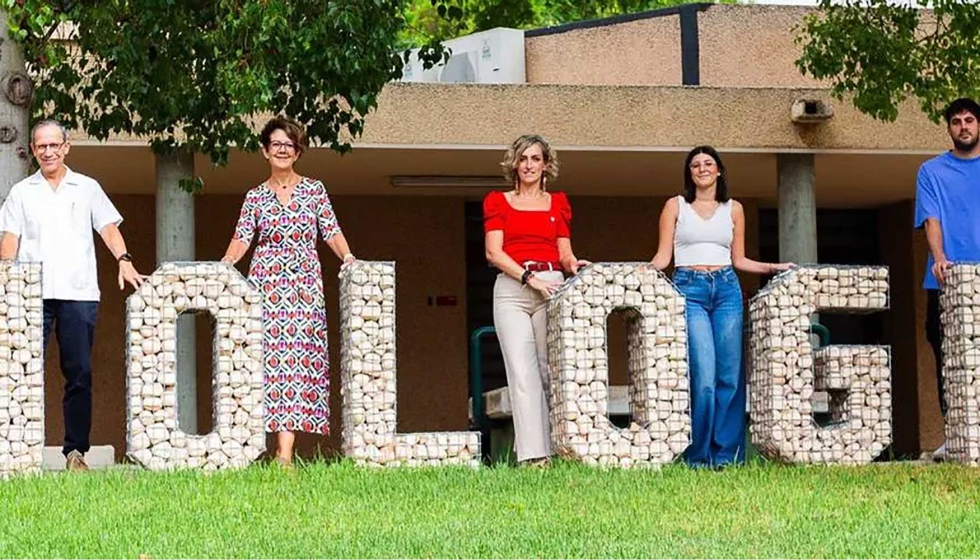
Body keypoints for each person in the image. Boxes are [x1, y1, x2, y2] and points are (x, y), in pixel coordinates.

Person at [0, 119, 145, 472]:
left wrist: (124, 260)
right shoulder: (22, 192)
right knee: (19, 373)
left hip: (78, 293)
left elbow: (108, 228)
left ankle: (75, 453)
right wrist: (5, 279)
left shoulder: (87, 188)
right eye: (41, 146)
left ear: (66, 147)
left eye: (54, 145)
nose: (48, 152)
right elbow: (9, 241)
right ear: (33, 150)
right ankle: (14, 453)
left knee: (78, 372)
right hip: (29, 295)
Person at [221, 116, 355, 468]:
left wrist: (349, 257)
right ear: (265, 151)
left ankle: (285, 453)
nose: (282, 150)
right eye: (276, 144)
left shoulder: (314, 190)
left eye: (289, 145)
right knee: (266, 364)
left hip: (304, 289)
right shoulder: (255, 197)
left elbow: (331, 231)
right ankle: (264, 448)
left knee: (297, 365)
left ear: (298, 152)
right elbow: (242, 238)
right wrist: (226, 263)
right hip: (265, 286)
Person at [650, 146, 792, 468]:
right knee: (704, 375)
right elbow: (662, 259)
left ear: (719, 171)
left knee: (729, 375)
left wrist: (774, 267)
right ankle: (697, 456)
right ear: (690, 173)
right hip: (689, 289)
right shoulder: (675, 206)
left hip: (727, 289)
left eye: (708, 163)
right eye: (695, 164)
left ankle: (726, 457)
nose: (702, 168)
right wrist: (630, 272)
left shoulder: (734, 209)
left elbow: (739, 259)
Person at [484, 134, 589, 467]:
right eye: (523, 158)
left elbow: (564, 253)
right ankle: (535, 457)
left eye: (535, 159)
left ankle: (562, 448)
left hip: (552, 288)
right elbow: (494, 252)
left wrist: (574, 265)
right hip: (514, 289)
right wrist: (530, 279)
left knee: (550, 371)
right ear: (514, 164)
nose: (529, 165)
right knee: (522, 371)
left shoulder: (558, 202)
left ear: (546, 164)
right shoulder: (497, 201)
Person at [914, 97, 980, 461]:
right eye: (956, 122)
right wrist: (939, 258)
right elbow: (931, 218)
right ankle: (954, 435)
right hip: (947, 281)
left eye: (969, 120)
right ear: (949, 129)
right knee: (948, 359)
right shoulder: (931, 171)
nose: (963, 127)